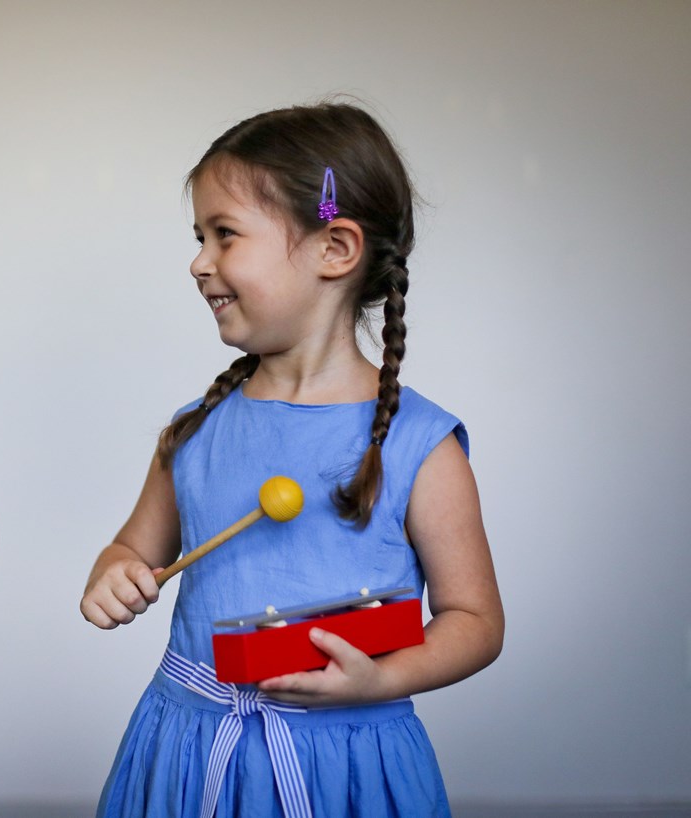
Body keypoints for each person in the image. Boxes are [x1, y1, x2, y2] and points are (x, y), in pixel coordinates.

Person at [80, 103, 503, 817]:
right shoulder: (195, 430)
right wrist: (114, 572)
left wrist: (381, 679)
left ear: (334, 249)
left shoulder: (417, 443)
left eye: (225, 235)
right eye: (199, 236)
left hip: (343, 765)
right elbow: (133, 547)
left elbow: (474, 620)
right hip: (189, 749)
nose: (199, 262)